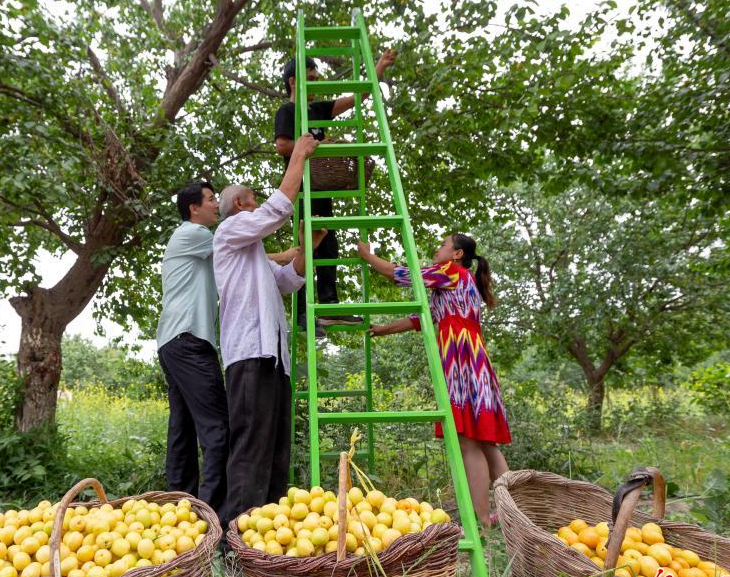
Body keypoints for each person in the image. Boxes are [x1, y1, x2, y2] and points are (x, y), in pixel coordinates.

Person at [356, 233, 510, 527]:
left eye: (443, 245)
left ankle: (482, 521)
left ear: (456, 254)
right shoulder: (457, 280)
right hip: (474, 361)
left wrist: (367, 256)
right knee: (487, 443)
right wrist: (384, 329)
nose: (436, 249)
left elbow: (401, 274)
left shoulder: (450, 272)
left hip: (462, 361)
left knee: (470, 443)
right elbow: (420, 319)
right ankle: (512, 515)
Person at [214, 133, 320, 525]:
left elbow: (288, 281)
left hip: (273, 358)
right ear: (240, 205)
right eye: (252, 197)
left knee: (276, 449)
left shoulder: (252, 252)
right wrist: (299, 157)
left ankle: (265, 537)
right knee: (250, 446)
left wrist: (307, 247)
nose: (257, 202)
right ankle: (236, 539)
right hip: (249, 356)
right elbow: (277, 209)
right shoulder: (228, 231)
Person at [274, 50, 397, 337]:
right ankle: (304, 313)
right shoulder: (288, 112)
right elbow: (282, 146)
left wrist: (378, 67)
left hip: (321, 186)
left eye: (318, 78)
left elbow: (357, 97)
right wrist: (312, 145)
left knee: (329, 246)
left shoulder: (318, 110)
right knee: (307, 248)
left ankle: (329, 306)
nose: (317, 84)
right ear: (294, 82)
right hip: (301, 189)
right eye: (311, 79)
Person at [155, 181, 230, 525]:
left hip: (173, 341)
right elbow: (237, 247)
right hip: (189, 341)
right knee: (217, 429)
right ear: (193, 209)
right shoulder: (192, 233)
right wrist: (291, 255)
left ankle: (180, 511)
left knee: (182, 428)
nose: (217, 204)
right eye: (212, 199)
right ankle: (212, 518)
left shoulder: (193, 240)